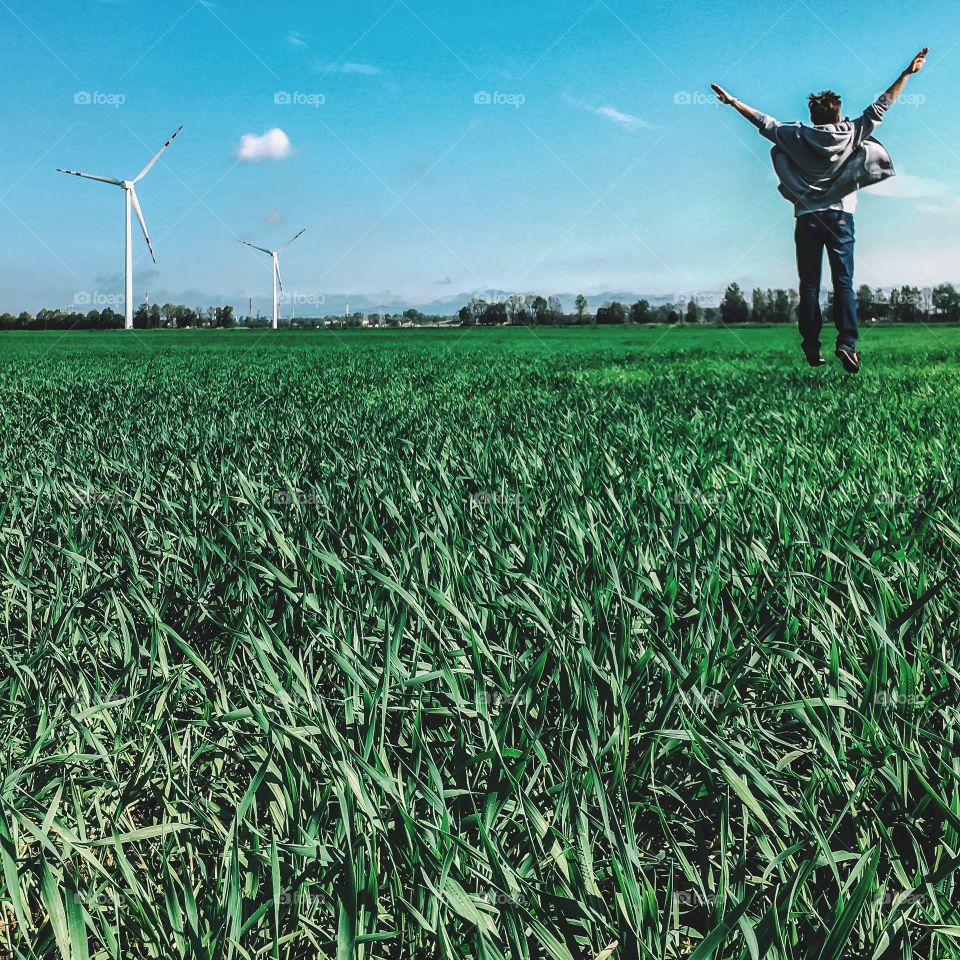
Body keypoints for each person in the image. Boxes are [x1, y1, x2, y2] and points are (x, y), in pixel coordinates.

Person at [711, 48, 929, 374]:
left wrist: (733, 102)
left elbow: (763, 121)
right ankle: (847, 345)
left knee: (809, 285)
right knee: (843, 283)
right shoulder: (852, 131)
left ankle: (812, 348)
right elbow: (883, 104)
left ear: (812, 117)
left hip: (807, 218)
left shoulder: (797, 135)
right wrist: (907, 73)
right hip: (841, 218)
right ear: (838, 115)